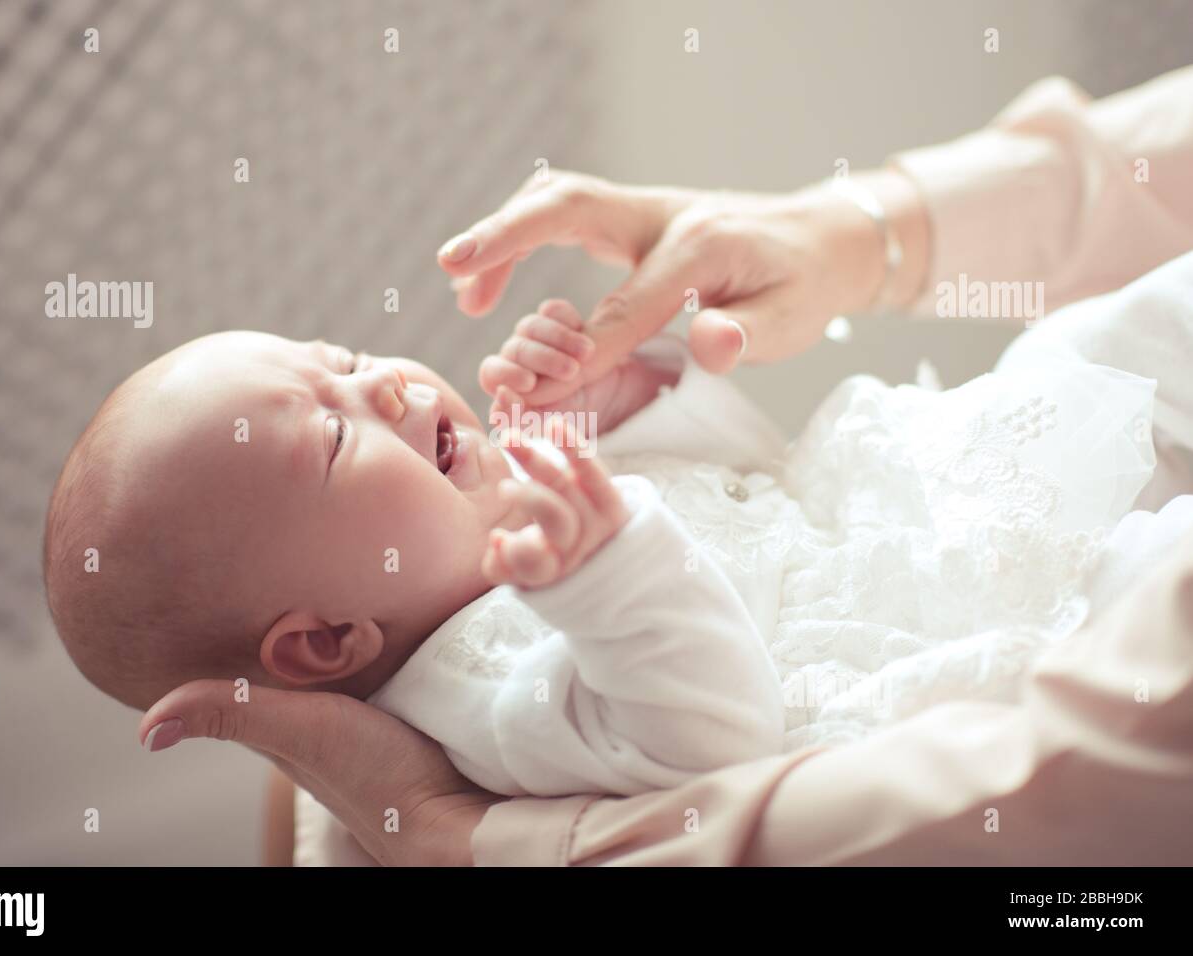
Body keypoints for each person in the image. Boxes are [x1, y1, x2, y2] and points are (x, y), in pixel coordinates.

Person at [141, 65, 1193, 865]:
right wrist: (604, 568)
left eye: (350, 362)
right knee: (1151, 567)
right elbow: (710, 723)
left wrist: (635, 397)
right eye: (334, 434)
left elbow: (754, 481)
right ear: (328, 637)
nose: (386, 387)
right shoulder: (477, 691)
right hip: (946, 617)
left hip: (907, 501)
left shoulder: (527, 500)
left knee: (1078, 351)